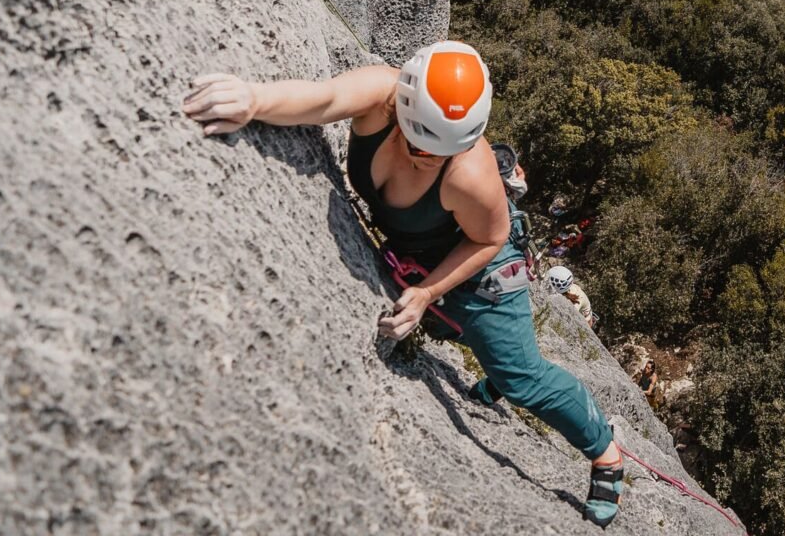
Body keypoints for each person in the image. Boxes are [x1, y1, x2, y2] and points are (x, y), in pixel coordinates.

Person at [182, 41, 626, 526]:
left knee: (521, 378)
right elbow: (323, 99)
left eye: (444, 151)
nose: (429, 159)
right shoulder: (381, 95)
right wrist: (254, 100)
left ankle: (605, 451)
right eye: (420, 144)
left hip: (483, 272)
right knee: (469, 342)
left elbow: (489, 238)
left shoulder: (471, 174)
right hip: (424, 254)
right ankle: (494, 369)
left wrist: (428, 292)